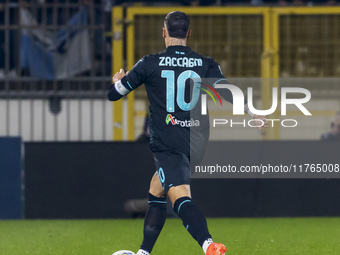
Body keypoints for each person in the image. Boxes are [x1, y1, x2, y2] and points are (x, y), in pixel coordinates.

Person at [108, 11, 267, 255]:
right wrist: (253, 113)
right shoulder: (205, 63)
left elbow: (114, 95)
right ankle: (143, 252)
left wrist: (119, 80)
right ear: (189, 34)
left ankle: (209, 245)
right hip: (197, 142)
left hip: (169, 142)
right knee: (157, 188)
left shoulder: (149, 63)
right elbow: (227, 91)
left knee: (180, 196)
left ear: (164, 32)